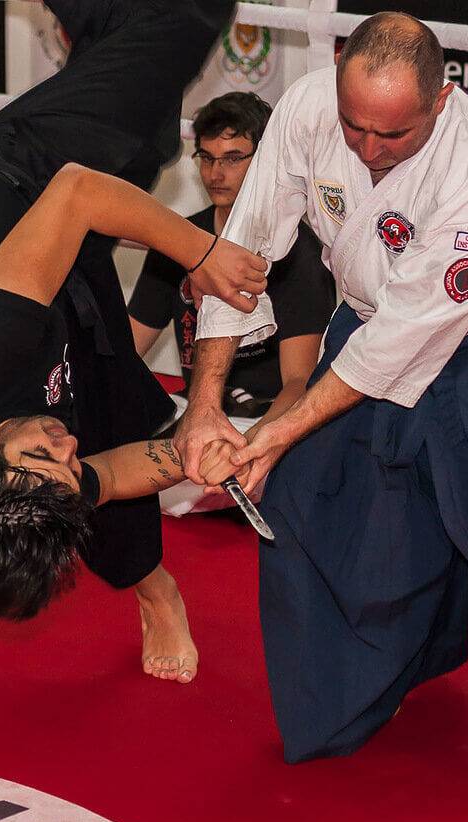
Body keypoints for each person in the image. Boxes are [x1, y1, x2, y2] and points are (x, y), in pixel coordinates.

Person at [174, 12, 468, 822]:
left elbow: (397, 348)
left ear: (442, 100)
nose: (371, 151)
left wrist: (272, 431)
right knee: (307, 501)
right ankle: (369, 680)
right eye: (356, 127)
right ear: (336, 80)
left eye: (394, 134)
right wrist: (205, 403)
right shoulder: (308, 110)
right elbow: (244, 254)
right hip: (371, 315)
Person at [0, 0, 264, 685]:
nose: (66, 449)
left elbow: (77, 193)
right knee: (111, 409)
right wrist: (214, 456)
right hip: (10, 290)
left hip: (4, 180)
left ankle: (88, 19)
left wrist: (204, 253)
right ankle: (157, 590)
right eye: (63, 465)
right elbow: (104, 477)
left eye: (45, 453)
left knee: (175, 34)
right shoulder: (15, 488)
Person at [127, 91, 336, 515]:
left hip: (263, 423)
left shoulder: (297, 251)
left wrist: (252, 449)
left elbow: (299, 384)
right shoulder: (180, 238)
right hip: (194, 415)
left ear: (263, 161)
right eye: (206, 157)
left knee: (183, 489)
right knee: (114, 474)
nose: (215, 173)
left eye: (233, 157)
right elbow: (127, 349)